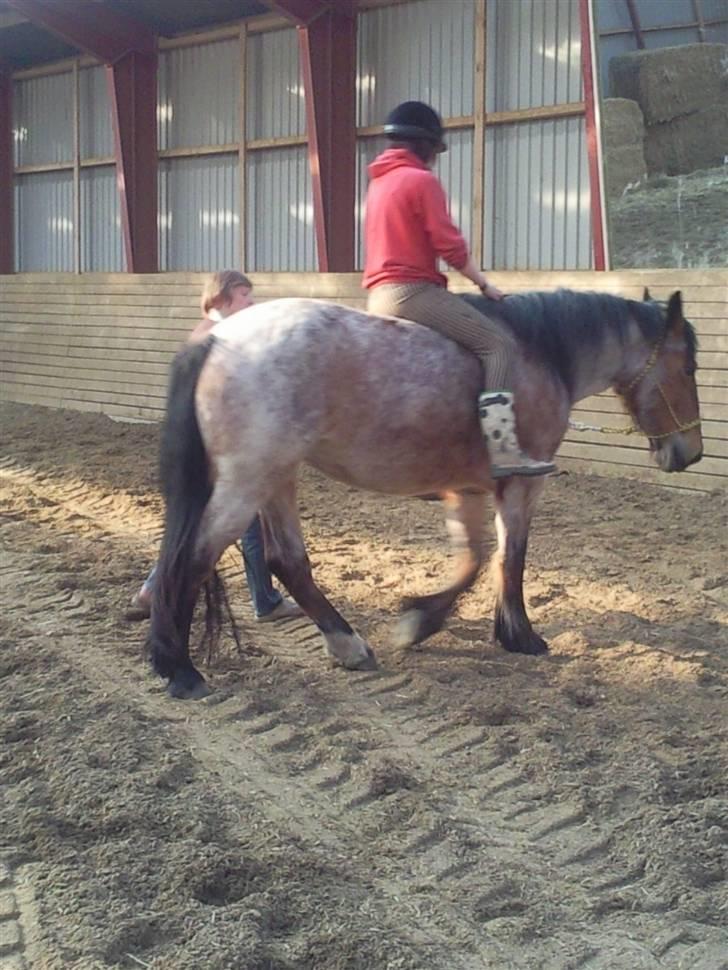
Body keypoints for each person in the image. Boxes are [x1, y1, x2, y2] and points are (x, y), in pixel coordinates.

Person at [363, 101, 555, 479]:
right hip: (412, 292)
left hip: (378, 295)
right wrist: (484, 283)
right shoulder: (421, 181)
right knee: (498, 346)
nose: (435, 159)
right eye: (434, 150)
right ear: (424, 145)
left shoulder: (380, 183)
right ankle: (502, 451)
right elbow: (448, 245)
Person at [126, 270, 303, 624]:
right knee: (230, 524)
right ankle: (258, 600)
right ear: (221, 299)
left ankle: (156, 588)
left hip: (207, 451)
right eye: (244, 297)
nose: (252, 304)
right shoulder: (218, 338)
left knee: (227, 523)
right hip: (218, 452)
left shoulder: (201, 335)